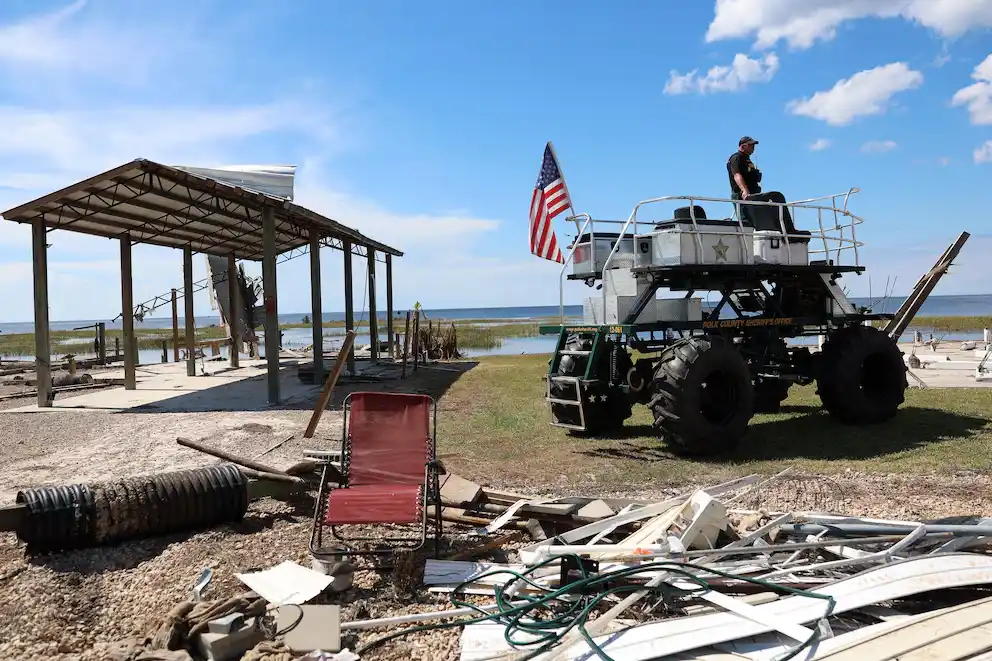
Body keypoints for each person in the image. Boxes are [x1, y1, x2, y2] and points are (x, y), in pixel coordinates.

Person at [726, 136, 796, 233]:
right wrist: (744, 190)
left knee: (756, 221)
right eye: (750, 145)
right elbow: (737, 175)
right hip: (743, 196)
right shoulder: (737, 158)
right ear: (743, 146)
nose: (753, 147)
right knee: (746, 222)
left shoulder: (747, 159)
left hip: (753, 195)